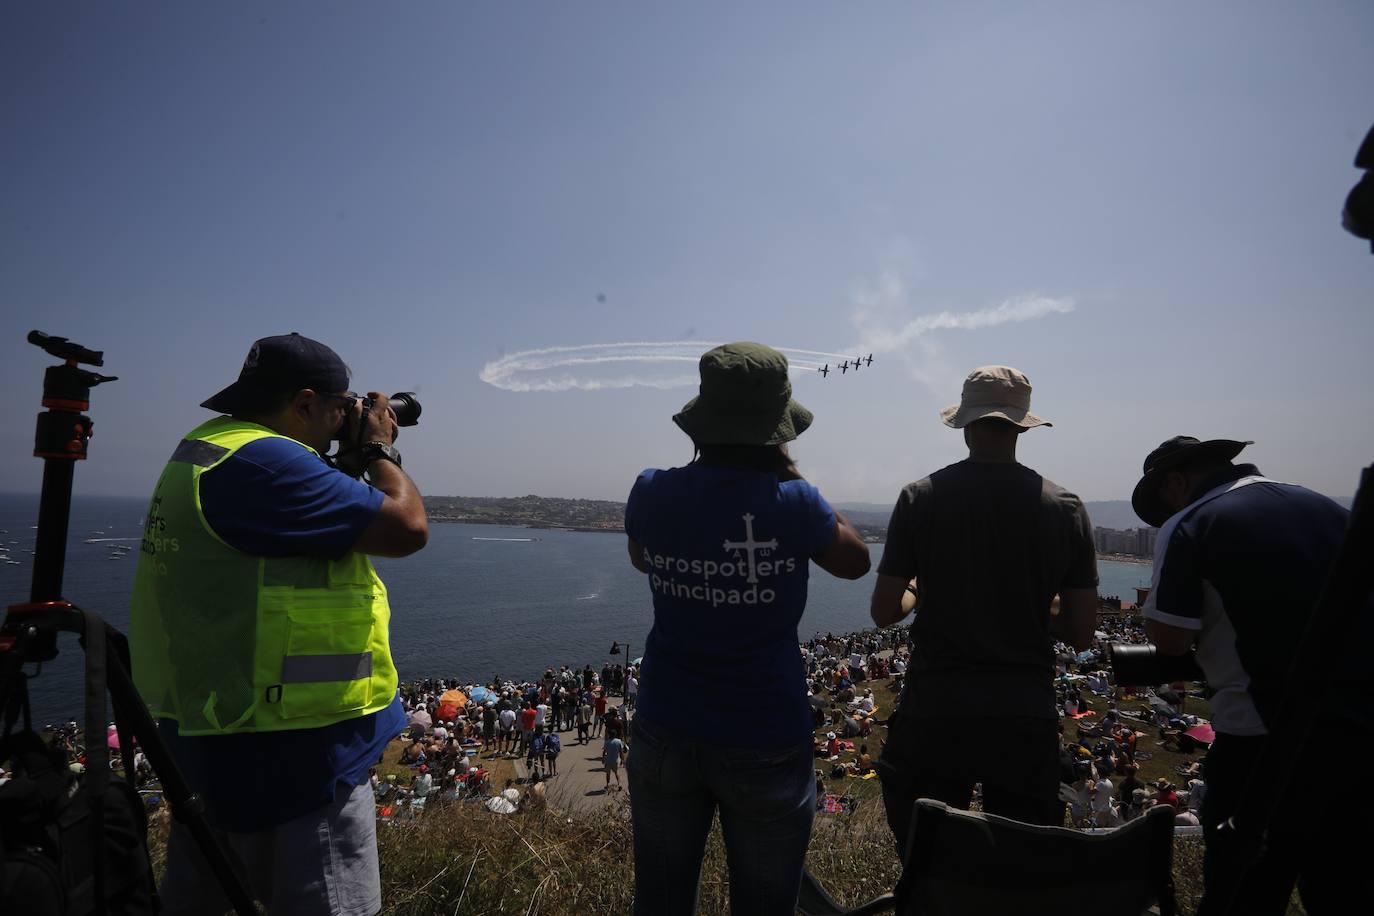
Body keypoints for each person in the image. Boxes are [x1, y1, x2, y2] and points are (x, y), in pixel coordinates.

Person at [128, 333, 428, 916]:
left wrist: (345, 457)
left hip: (216, 740)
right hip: (299, 760)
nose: (346, 419)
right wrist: (378, 451)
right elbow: (407, 527)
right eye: (341, 407)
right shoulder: (268, 463)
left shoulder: (213, 449)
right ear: (306, 403)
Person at [624, 342, 871, 915]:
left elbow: (641, 559)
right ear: (775, 430)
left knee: (659, 901)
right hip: (764, 730)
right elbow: (856, 562)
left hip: (665, 721)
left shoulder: (652, 489)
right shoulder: (796, 502)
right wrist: (787, 468)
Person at [1132, 435, 1374, 915]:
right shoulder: (1325, 506)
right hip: (1359, 731)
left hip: (1263, 737)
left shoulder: (1193, 521)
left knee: (1243, 891)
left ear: (1176, 482)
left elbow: (1171, 638)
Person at [870, 365, 1098, 853]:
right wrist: (1040, 605)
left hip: (935, 706)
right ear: (1022, 427)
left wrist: (917, 590)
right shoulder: (1066, 506)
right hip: (1024, 710)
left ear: (966, 425)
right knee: (1020, 865)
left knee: (928, 858)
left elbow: (885, 611)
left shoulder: (919, 497)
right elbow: (1080, 633)